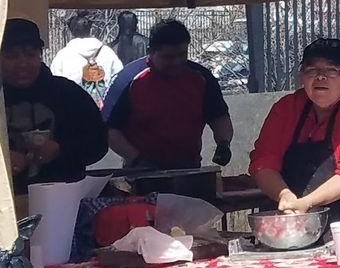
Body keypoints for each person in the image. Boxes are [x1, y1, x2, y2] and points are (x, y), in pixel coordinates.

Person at [250, 38, 340, 223]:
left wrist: (306, 203)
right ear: (302, 76)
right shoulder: (286, 109)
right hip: (294, 223)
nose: (320, 77)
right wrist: (285, 196)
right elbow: (263, 162)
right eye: (312, 70)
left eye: (332, 70)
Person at [105, 20, 234, 170]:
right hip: (141, 172)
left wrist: (224, 143)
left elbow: (219, 116)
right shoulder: (129, 81)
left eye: (182, 54)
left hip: (189, 168)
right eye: (169, 57)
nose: (177, 62)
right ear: (151, 52)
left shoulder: (201, 78)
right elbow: (110, 131)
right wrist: (137, 159)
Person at [3, 19, 108, 187]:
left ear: (40, 55)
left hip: (63, 197)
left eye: (30, 54)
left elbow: (98, 144)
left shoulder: (69, 93)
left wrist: (61, 150)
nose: (22, 63)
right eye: (11, 56)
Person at [49, 14, 122, 109]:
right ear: (90, 29)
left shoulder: (63, 55)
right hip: (103, 108)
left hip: (73, 108)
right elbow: (119, 78)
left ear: (71, 32)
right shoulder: (107, 52)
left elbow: (54, 84)